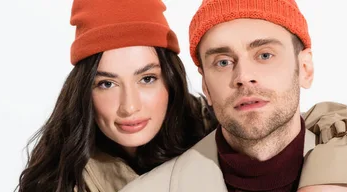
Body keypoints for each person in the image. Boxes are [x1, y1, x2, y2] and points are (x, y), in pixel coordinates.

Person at [121, 0, 347, 191]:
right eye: (223, 62)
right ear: (206, 88)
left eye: (264, 54)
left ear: (305, 68)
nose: (243, 76)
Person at [16, 0, 215, 191]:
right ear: (84, 92)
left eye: (147, 79)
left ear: (171, 79)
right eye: (107, 84)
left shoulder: (220, 134)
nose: (129, 107)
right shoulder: (61, 179)